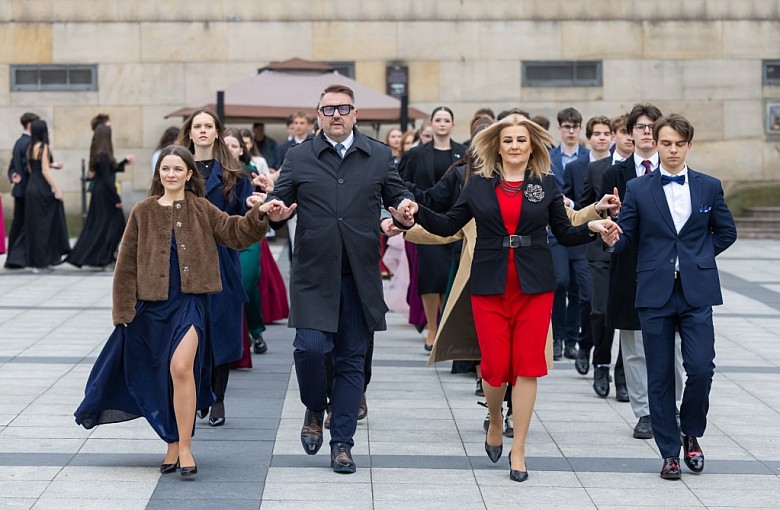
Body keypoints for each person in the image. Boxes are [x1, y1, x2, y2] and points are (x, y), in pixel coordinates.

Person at [414, 114, 617, 482]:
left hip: (534, 286)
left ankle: (519, 449)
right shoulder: (477, 186)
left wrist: (592, 228)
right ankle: (494, 419)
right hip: (490, 284)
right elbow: (447, 224)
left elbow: (564, 233)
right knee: (494, 368)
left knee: (527, 366)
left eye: (521, 140)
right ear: (497, 146)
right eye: (508, 140)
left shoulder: (546, 184)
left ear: (532, 146)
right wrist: (411, 213)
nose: (515, 146)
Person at [75, 145, 278, 479]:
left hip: (189, 304)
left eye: (177, 169)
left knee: (182, 367)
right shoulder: (142, 211)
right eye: (165, 169)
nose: (170, 174)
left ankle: (185, 447)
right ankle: (172, 442)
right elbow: (125, 265)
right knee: (159, 379)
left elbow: (235, 233)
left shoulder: (202, 208)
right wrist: (123, 312)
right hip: (150, 309)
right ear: (159, 175)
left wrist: (259, 215)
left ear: (188, 174)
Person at [265, 84, 416, 474]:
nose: (336, 115)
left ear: (354, 114)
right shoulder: (298, 156)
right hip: (313, 274)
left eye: (343, 108)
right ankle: (315, 406)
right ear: (318, 115)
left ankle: (342, 444)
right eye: (328, 109)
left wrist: (402, 207)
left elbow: (396, 194)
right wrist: (276, 212)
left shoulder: (379, 155)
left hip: (359, 275)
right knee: (310, 350)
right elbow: (278, 200)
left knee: (352, 361)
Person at [601, 114, 736, 480]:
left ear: (688, 146)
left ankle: (691, 431)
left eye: (679, 144)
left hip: (696, 292)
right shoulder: (639, 189)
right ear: (655, 145)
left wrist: (698, 260)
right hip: (654, 291)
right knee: (659, 375)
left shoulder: (709, 186)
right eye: (666, 143)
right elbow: (627, 234)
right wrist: (614, 238)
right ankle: (669, 453)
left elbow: (726, 232)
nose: (672, 150)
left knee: (701, 367)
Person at [601, 103, 685, 440]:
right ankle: (644, 411)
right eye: (640, 127)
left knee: (673, 344)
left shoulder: (677, 173)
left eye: (653, 126)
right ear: (630, 134)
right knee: (634, 346)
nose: (647, 132)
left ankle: (673, 405)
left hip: (668, 271)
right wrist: (615, 218)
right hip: (629, 269)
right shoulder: (615, 175)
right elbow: (601, 220)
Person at [177, 109, 254, 428]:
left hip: (222, 261)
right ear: (190, 133)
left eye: (209, 125)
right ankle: (194, 394)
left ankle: (218, 396)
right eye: (198, 126)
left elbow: (246, 223)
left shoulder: (235, 173)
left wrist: (257, 210)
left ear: (218, 132)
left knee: (222, 332)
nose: (204, 131)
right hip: (183, 263)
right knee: (188, 333)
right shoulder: (176, 168)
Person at [399, 106, 466, 351]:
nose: (441, 124)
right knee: (430, 276)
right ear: (431, 123)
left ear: (452, 124)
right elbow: (402, 181)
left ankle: (447, 326)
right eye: (438, 120)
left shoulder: (463, 152)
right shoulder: (416, 154)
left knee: (450, 274)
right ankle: (432, 328)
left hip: (456, 220)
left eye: (446, 120)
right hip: (425, 220)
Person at [577, 113, 634, 398]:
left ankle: (622, 375)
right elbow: (584, 205)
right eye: (623, 132)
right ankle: (601, 363)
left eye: (632, 132)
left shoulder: (645, 170)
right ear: (614, 135)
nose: (629, 137)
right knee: (600, 309)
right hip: (600, 250)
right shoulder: (597, 168)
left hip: (632, 251)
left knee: (628, 313)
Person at [562, 115, 614, 380]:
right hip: (590, 242)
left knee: (605, 305)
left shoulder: (624, 166)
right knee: (590, 300)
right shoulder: (581, 167)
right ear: (590, 137)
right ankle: (585, 344)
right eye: (597, 133)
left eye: (607, 133)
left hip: (620, 246)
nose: (602, 138)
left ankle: (601, 360)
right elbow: (579, 205)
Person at [5, 119, 70, 270]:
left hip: (30, 188)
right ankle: (49, 257)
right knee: (46, 224)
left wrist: (50, 164)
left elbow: (31, 168)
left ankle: (31, 259)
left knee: (33, 225)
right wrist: (57, 189)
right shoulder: (44, 147)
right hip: (41, 187)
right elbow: (44, 171)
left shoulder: (30, 147)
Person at [67, 125, 134, 268]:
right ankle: (104, 257)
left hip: (101, 193)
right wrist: (116, 199)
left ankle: (104, 257)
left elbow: (109, 170)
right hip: (105, 194)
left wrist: (123, 162)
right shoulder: (104, 155)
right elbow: (108, 179)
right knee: (114, 225)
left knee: (102, 225)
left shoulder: (99, 154)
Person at [5, 112, 40, 265]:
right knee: (24, 223)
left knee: (17, 223)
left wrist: (13, 175)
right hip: (27, 190)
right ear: (30, 125)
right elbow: (28, 167)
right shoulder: (28, 143)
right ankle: (17, 257)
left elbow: (13, 166)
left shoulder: (19, 142)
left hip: (19, 189)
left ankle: (12, 256)